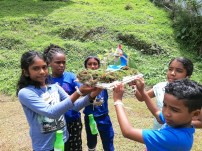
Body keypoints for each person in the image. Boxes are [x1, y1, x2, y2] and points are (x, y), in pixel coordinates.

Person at [16, 50, 101, 151]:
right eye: (36, 68)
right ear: (25, 72)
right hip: (45, 146)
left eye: (44, 67)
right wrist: (78, 92)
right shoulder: (26, 93)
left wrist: (92, 95)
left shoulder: (54, 87)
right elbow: (51, 112)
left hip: (64, 140)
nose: (42, 72)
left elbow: (74, 106)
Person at [113, 78, 202, 151]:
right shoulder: (180, 123)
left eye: (174, 110)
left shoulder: (174, 138)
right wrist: (142, 91)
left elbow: (128, 132)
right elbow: (157, 113)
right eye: (165, 105)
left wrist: (118, 101)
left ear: (195, 114)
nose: (166, 113)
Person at [130, 57, 194, 129]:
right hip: (158, 132)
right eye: (170, 69)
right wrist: (133, 86)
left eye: (179, 71)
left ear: (188, 76)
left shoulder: (191, 93)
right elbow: (141, 98)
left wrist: (181, 123)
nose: (172, 73)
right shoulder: (160, 86)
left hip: (176, 136)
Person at [43, 44, 83, 151]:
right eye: (58, 62)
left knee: (75, 147)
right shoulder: (46, 80)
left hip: (73, 119)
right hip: (56, 123)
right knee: (60, 147)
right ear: (49, 63)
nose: (61, 65)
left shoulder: (71, 77)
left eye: (63, 62)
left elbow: (82, 91)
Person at [83, 56, 114, 151]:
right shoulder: (83, 80)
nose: (92, 66)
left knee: (108, 141)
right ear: (86, 66)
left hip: (104, 116)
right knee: (91, 142)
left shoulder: (104, 79)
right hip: (90, 117)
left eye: (95, 64)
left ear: (99, 66)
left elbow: (115, 79)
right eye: (90, 64)